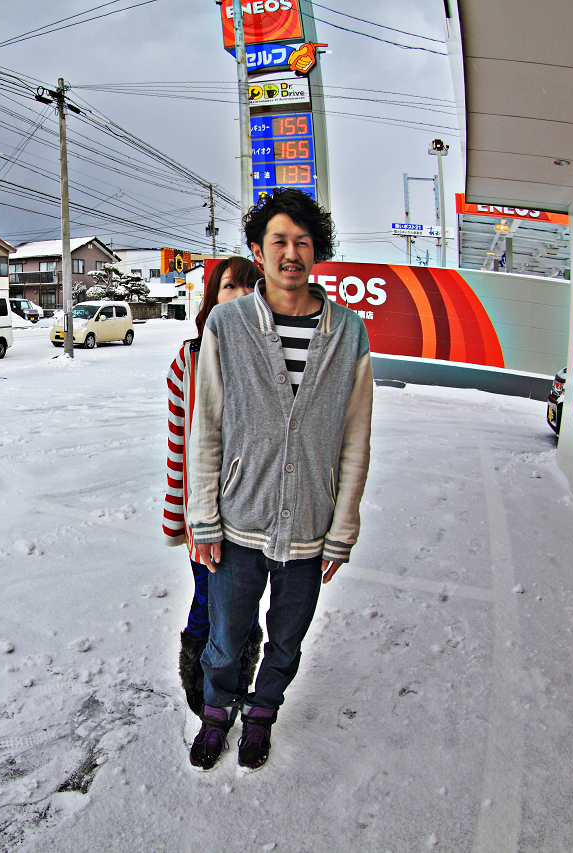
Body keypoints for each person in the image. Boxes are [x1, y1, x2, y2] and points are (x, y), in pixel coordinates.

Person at [186, 189, 373, 771]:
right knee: (225, 637)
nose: (291, 253)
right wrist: (202, 518)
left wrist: (342, 528)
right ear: (257, 251)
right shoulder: (227, 323)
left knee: (287, 639)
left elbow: (356, 438)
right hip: (238, 521)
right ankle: (216, 713)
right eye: (279, 241)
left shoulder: (349, 332)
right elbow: (206, 425)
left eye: (303, 242)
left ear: (317, 251)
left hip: (310, 527)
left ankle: (262, 714)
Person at [163, 255, 265, 717]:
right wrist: (178, 519)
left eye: (249, 287)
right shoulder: (189, 360)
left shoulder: (274, 358)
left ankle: (238, 680)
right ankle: (198, 681)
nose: (240, 296)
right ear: (212, 299)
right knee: (206, 601)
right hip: (205, 514)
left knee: (243, 605)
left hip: (256, 514)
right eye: (229, 287)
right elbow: (178, 446)